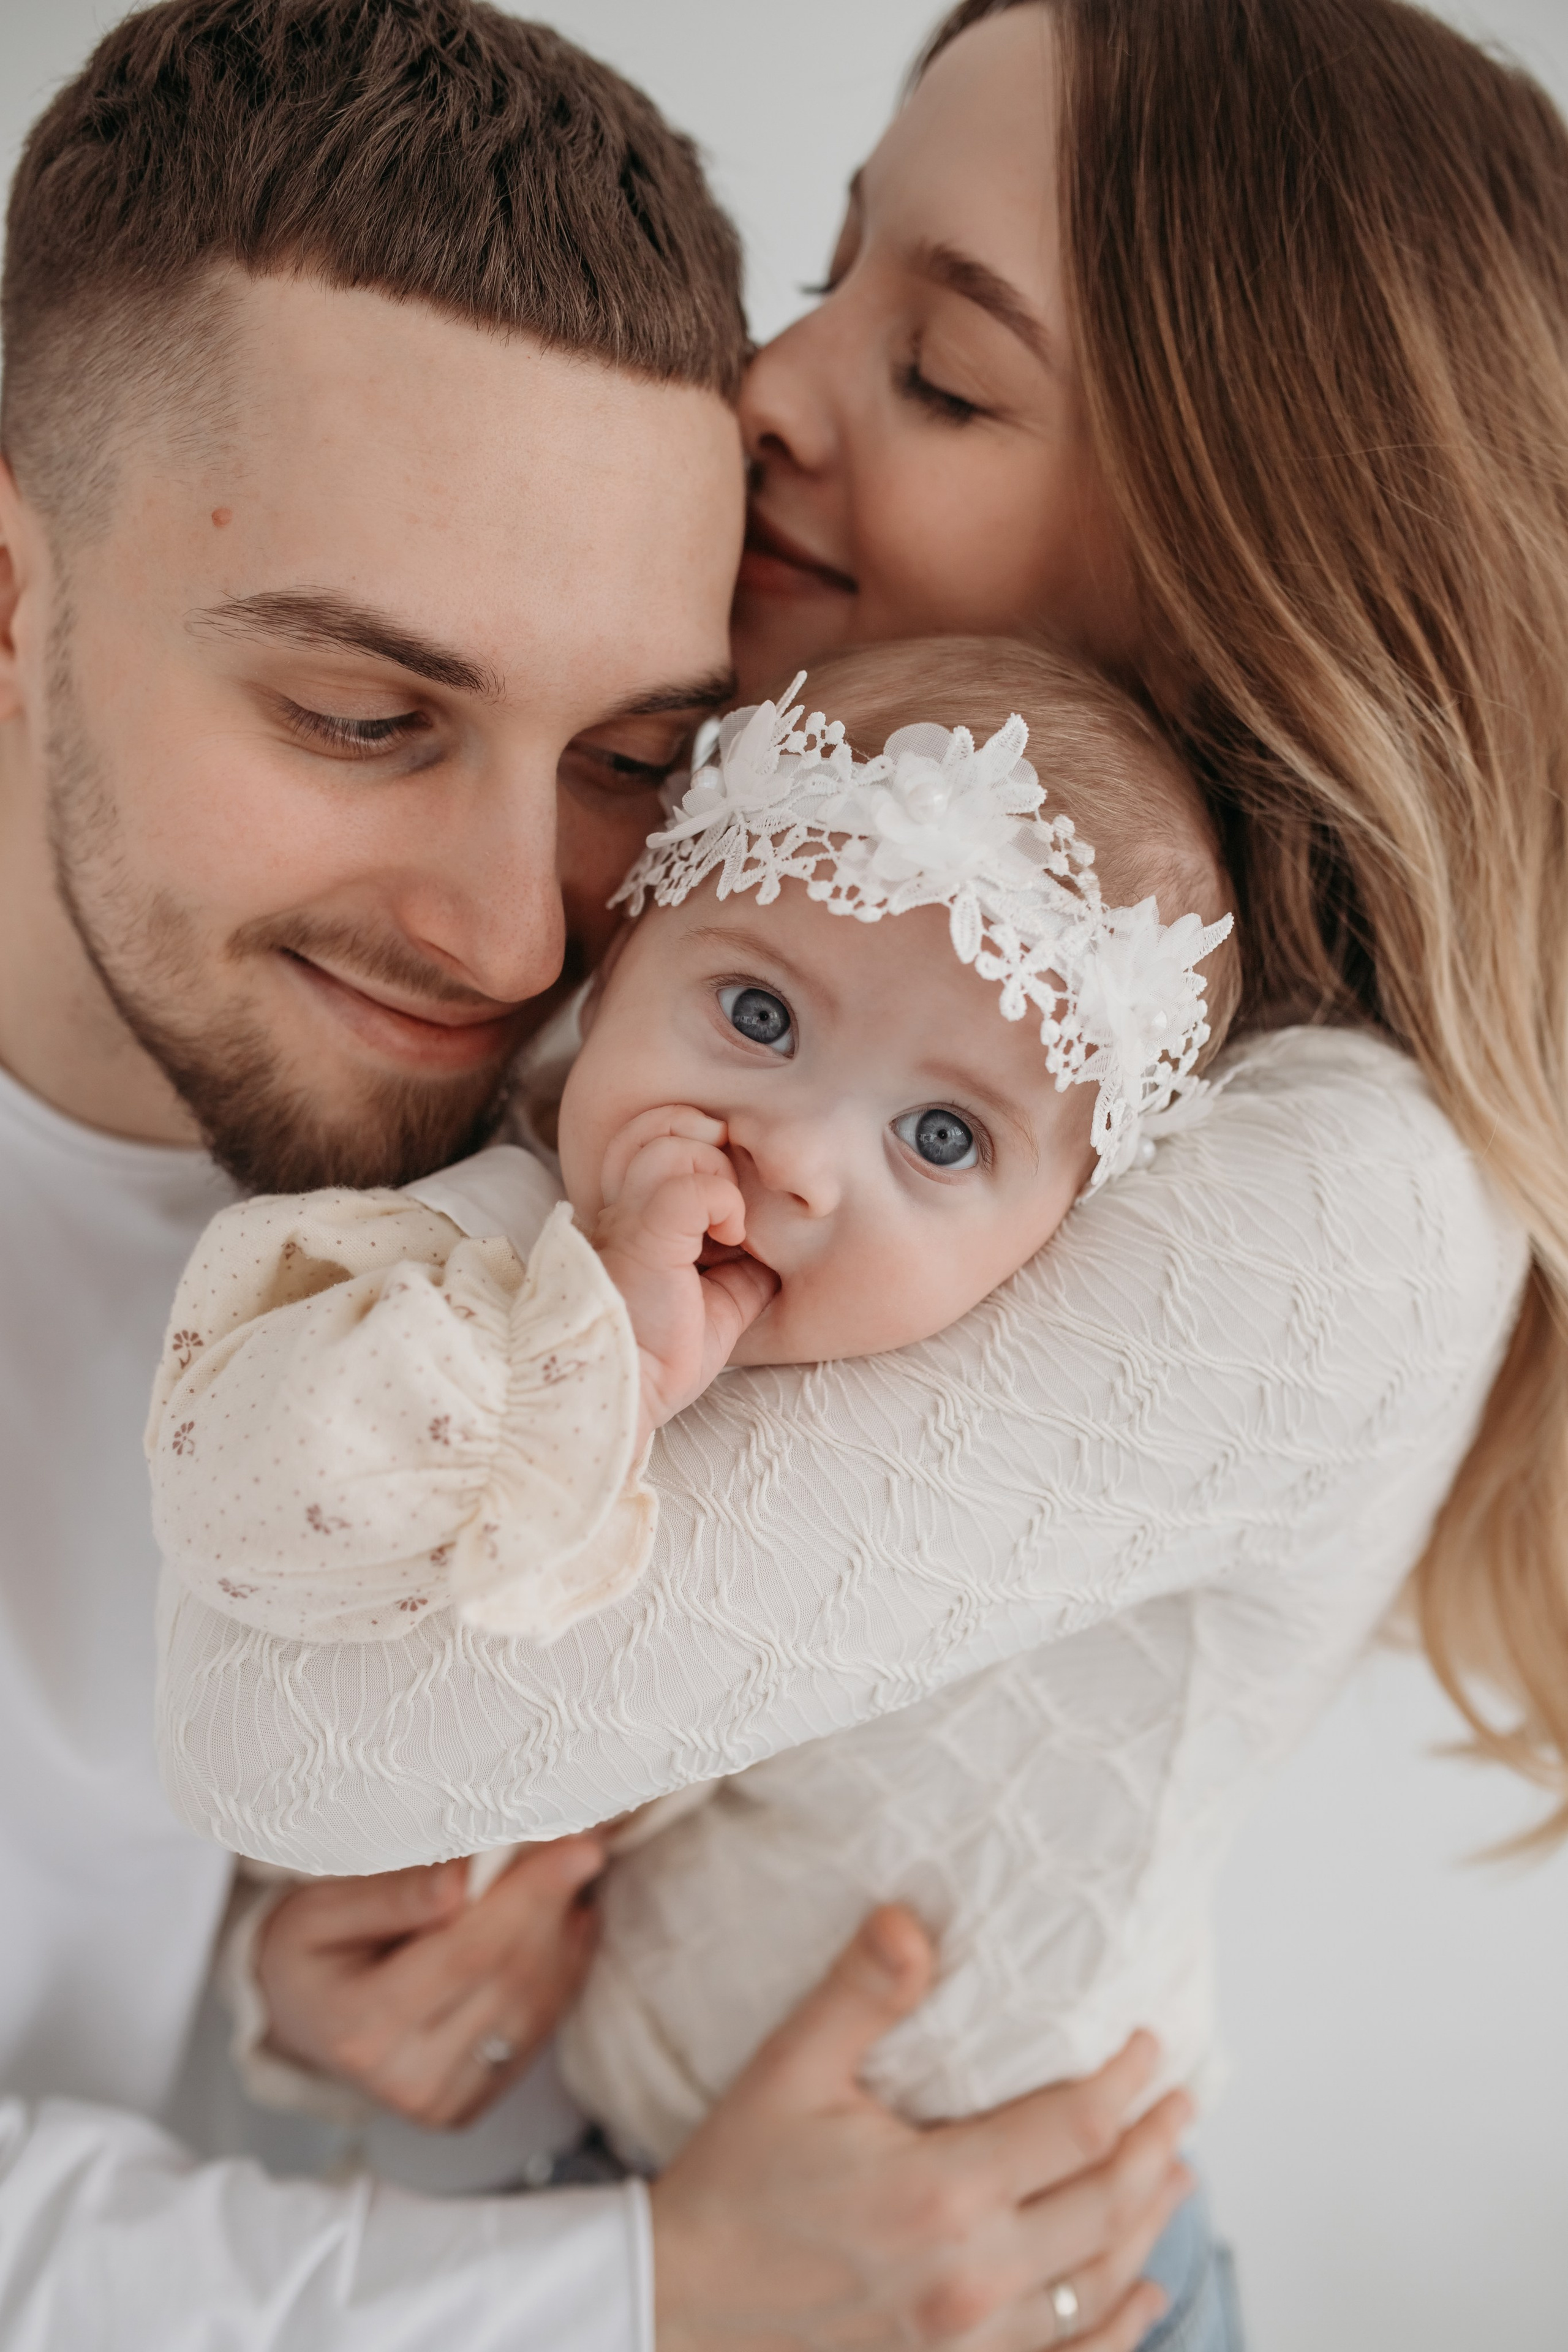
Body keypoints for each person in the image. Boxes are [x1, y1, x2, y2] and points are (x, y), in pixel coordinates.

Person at [158, 0, 1568, 2342]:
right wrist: (341, 1981)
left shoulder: (1340, 1201)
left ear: (1268, 552)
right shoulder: (750, 931)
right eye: (827, 274)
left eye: (945, 370)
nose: (767, 385)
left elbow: (285, 1709)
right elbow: (390, 1722)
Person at [0, 4, 1193, 2348]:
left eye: (636, 758)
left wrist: (286, 1975)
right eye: (363, 718)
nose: (518, 931)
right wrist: (645, 2293)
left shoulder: (633, 1112)